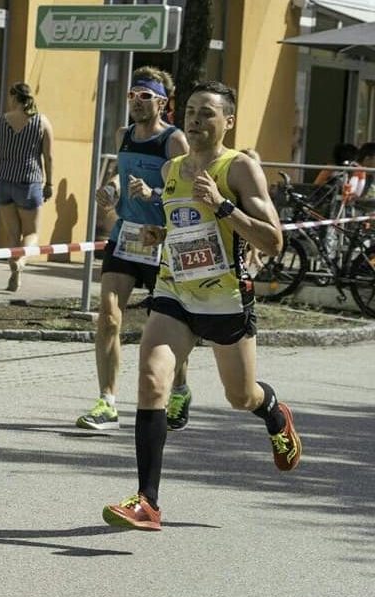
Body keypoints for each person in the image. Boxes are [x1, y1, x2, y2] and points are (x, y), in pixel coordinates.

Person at [102, 80, 303, 531]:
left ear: (228, 121)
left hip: (226, 299)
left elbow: (273, 241)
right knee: (152, 379)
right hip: (175, 293)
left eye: (207, 112)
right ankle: (147, 502)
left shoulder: (240, 169)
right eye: (191, 110)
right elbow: (183, 226)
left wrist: (222, 205)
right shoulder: (173, 168)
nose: (195, 119)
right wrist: (163, 236)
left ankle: (273, 411)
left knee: (240, 396)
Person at [76, 67, 192, 432]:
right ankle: (107, 402)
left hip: (162, 240)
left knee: (169, 326)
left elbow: (188, 195)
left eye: (145, 96)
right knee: (108, 317)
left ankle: (180, 389)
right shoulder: (122, 135)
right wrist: (111, 190)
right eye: (132, 95)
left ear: (162, 101)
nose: (137, 102)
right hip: (126, 237)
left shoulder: (174, 142)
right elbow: (120, 175)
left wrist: (154, 194)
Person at [0, 82, 54, 291]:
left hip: (3, 182)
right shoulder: (41, 122)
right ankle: (20, 262)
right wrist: (49, 183)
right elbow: (48, 157)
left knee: (13, 234)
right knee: (32, 233)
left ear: (13, 97)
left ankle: (15, 275)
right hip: (28, 183)